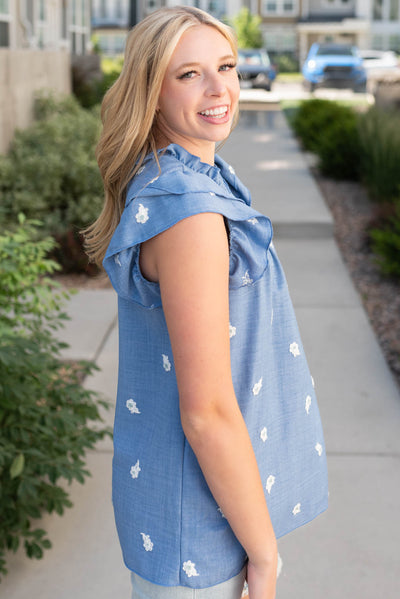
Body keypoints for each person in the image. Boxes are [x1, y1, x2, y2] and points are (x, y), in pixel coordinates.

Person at [84, 6, 328, 599]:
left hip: (195, 513)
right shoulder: (189, 209)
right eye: (189, 74)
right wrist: (265, 559)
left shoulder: (188, 174)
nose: (220, 88)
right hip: (202, 535)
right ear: (152, 89)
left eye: (227, 65)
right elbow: (207, 412)